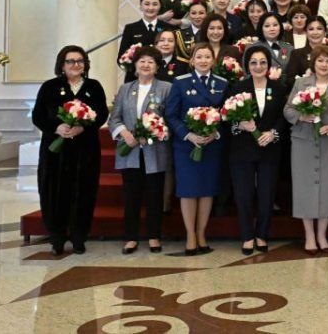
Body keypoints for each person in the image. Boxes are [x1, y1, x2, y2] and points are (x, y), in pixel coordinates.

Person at [32, 46, 108, 256]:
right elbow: (38, 116)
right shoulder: (50, 87)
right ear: (62, 65)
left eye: (80, 61)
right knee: (54, 193)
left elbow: (101, 114)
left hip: (86, 150)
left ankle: (79, 237)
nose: (76, 65)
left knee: (84, 192)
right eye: (70, 61)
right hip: (55, 151)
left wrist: (83, 127)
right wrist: (56, 127)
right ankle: (56, 237)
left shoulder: (94, 86)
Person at [165, 43, 229, 255]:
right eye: (199, 57)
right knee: (189, 190)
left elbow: (227, 115)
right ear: (192, 60)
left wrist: (215, 133)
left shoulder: (222, 83)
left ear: (213, 60)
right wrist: (188, 134)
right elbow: (171, 115)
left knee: (207, 190)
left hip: (211, 144)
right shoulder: (180, 82)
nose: (203, 60)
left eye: (207, 57)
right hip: (186, 145)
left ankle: (201, 233)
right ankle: (190, 235)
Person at [285, 45, 328, 254]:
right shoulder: (301, 83)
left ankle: (322, 234)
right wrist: (301, 116)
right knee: (304, 187)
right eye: (320, 60)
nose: (324, 65)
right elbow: (288, 109)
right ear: (313, 62)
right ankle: (309, 235)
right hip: (303, 140)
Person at [226, 44, 290, 255]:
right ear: (247, 65)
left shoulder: (278, 88)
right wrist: (240, 125)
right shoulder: (238, 87)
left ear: (268, 65)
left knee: (266, 194)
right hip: (242, 149)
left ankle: (262, 234)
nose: (258, 66)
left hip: (268, 148)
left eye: (263, 62)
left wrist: (273, 133)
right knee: (243, 195)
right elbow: (228, 117)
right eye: (253, 62)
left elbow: (283, 117)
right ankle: (247, 236)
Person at [108, 46, 172, 255]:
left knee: (155, 195)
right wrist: (124, 133)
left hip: (155, 150)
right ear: (135, 65)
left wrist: (154, 131)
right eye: (142, 61)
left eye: (151, 62)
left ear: (157, 67)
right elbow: (114, 118)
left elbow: (170, 118)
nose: (146, 65)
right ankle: (130, 237)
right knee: (131, 196)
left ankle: (154, 236)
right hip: (130, 150)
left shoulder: (166, 88)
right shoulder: (125, 88)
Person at [119, 0, 174, 81]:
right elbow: (121, 57)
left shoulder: (168, 28)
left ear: (160, 6)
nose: (151, 8)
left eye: (155, 4)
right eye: (147, 4)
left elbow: (173, 55)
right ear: (141, 6)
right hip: (135, 78)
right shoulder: (131, 28)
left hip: (162, 77)